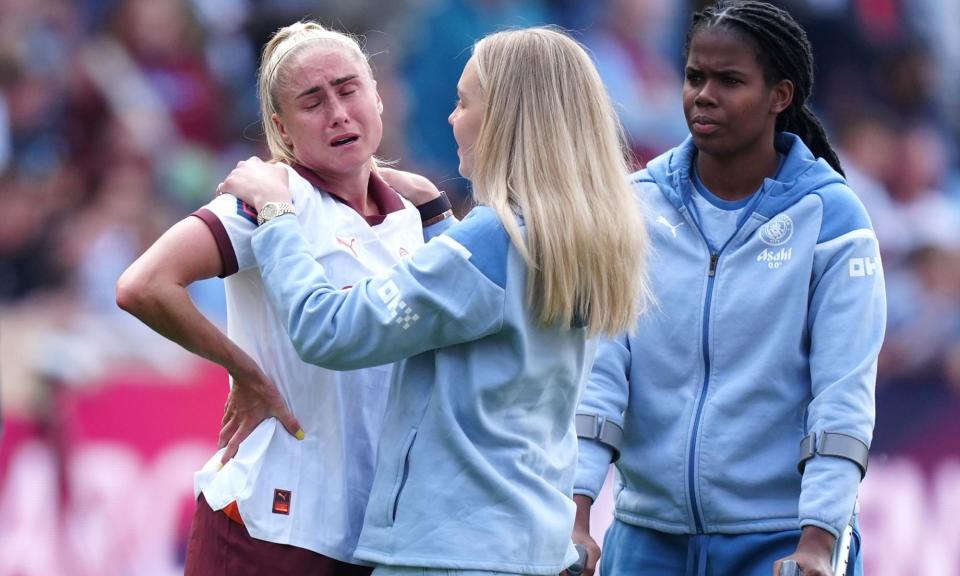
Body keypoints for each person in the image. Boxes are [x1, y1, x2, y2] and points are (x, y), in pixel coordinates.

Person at [216, 26, 650, 576]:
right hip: (531, 542)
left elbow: (329, 330)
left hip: (450, 552)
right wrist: (441, 220)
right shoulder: (577, 233)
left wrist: (277, 215)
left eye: (463, 102)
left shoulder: (493, 239)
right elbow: (485, 318)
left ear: (506, 120)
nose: (451, 118)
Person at [570, 2, 886, 576]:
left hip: (783, 544)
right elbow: (600, 373)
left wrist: (818, 540)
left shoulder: (834, 220)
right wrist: (576, 512)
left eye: (729, 80)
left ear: (781, 95)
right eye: (694, 77)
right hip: (646, 538)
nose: (703, 95)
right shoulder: (635, 205)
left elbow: (842, 397)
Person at [116, 21, 425, 576]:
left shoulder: (408, 214)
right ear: (281, 128)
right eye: (313, 101)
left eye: (348, 88)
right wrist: (247, 373)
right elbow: (143, 285)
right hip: (270, 525)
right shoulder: (270, 200)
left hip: (366, 532)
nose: (337, 112)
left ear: (377, 94)